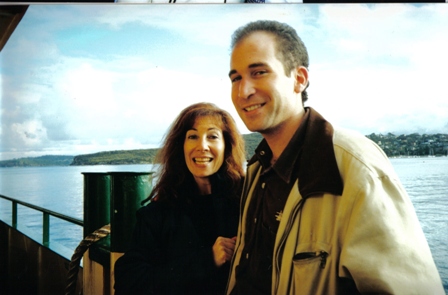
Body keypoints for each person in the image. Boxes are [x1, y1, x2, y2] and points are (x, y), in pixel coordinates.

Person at [226, 20, 444, 294]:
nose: (243, 91)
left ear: (299, 79)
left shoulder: (354, 164)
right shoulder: (258, 169)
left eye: (259, 72)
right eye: (235, 78)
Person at [114, 102, 246, 294]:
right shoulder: (157, 214)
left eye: (212, 136)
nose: (202, 146)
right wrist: (207, 261)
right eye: (192, 136)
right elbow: (129, 282)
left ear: (226, 145)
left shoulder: (248, 201)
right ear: (181, 146)